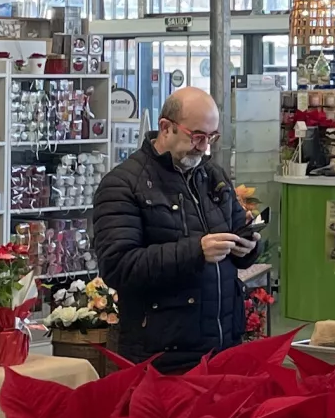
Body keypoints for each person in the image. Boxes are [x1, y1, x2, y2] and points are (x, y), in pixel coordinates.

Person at [91, 87, 259, 371]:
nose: (204, 147)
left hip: (224, 347)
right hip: (162, 356)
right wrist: (196, 251)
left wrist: (248, 247)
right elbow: (118, 266)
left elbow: (236, 237)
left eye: (211, 137)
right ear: (165, 128)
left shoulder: (212, 175)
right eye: (197, 136)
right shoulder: (123, 184)